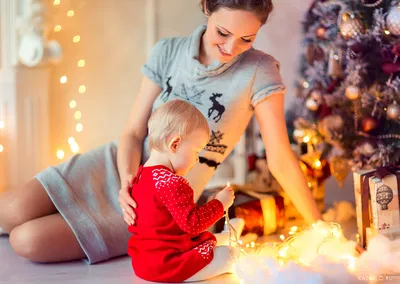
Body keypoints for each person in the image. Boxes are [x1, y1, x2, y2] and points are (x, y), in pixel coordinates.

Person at [0, 0, 322, 264]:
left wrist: (320, 228)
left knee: (26, 241)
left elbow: (279, 155)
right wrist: (128, 180)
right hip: (119, 166)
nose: (230, 47)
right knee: (11, 210)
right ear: (207, 7)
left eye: (246, 39)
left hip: (160, 203)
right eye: (222, 33)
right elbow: (132, 131)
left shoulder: (260, 70)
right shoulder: (168, 51)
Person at [128, 100, 240, 282]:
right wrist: (220, 204)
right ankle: (224, 241)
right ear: (175, 144)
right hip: (168, 264)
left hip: (143, 262)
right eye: (196, 152)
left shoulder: (141, 175)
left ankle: (223, 237)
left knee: (208, 241)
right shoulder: (172, 182)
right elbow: (192, 223)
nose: (196, 160)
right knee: (230, 255)